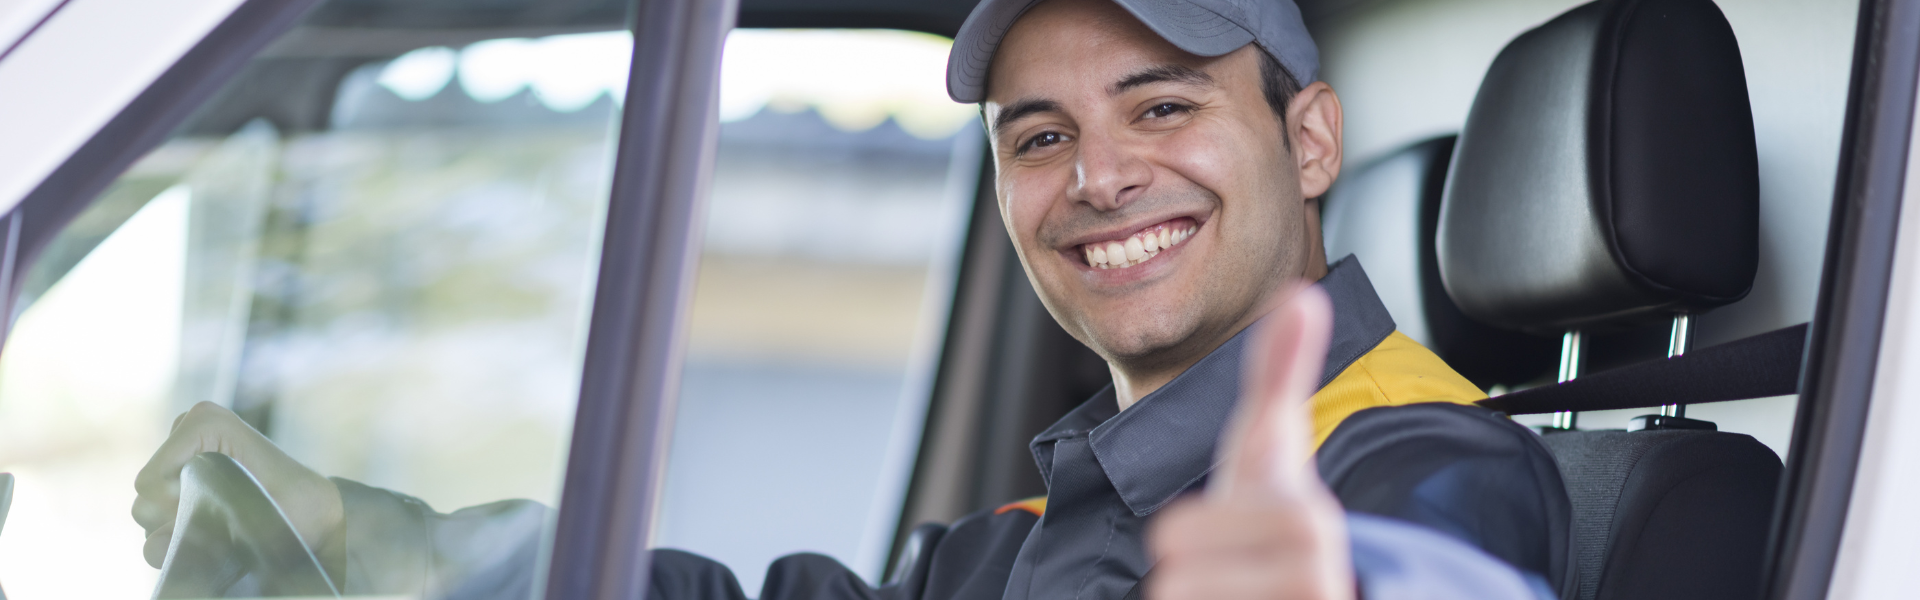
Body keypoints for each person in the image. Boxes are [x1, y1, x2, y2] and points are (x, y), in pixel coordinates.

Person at [133, 0, 1571, 598]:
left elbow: (1428, 564)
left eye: (1164, 107)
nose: (1098, 178)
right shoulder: (1034, 534)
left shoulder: (1417, 457)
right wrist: (357, 533)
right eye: (1040, 135)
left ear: (1308, 139)